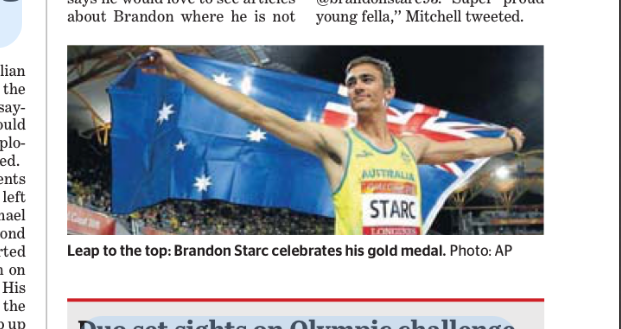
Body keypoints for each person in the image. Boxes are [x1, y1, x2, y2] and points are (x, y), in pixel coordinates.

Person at [139, 49, 525, 239]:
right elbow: (257, 113)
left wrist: (509, 141)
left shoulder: (413, 148)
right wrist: (180, 70)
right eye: (352, 81)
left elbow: (471, 150)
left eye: (366, 79)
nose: (357, 86)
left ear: (389, 92)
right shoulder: (336, 143)